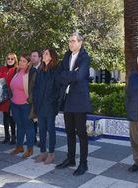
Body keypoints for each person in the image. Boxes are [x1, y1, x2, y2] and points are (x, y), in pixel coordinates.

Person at [56, 32, 92, 176]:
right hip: (67, 100)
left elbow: (79, 76)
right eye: (69, 41)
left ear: (80, 43)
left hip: (79, 101)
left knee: (81, 133)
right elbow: (58, 76)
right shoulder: (66, 56)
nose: (70, 43)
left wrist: (67, 74)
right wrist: (70, 74)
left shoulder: (85, 57)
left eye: (73, 41)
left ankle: (83, 163)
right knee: (69, 132)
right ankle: (70, 159)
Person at [33, 48, 59, 164]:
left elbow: (58, 89)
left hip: (50, 106)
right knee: (41, 129)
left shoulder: (55, 70)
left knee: (51, 129)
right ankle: (43, 152)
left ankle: (51, 153)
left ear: (51, 57)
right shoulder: (40, 70)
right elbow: (36, 89)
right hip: (40, 105)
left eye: (46, 53)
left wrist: (52, 100)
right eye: (43, 53)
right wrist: (36, 103)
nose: (43, 55)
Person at [9, 54, 37, 158]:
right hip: (15, 103)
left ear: (29, 63)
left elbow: (34, 89)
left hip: (26, 104)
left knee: (29, 127)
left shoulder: (31, 73)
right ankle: (19, 147)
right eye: (20, 60)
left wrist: (29, 101)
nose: (21, 62)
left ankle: (30, 149)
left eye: (24, 61)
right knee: (19, 126)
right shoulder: (16, 72)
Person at [0, 52, 17, 144]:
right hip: (3, 96)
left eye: (12, 59)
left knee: (12, 118)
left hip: (13, 96)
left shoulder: (17, 69)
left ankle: (13, 137)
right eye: (8, 58)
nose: (10, 60)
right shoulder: (2, 69)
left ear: (15, 60)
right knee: (5, 117)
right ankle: (6, 136)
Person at [30, 50, 42, 145]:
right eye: (31, 56)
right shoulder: (29, 69)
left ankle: (42, 140)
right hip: (31, 99)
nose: (32, 58)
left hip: (41, 100)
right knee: (31, 120)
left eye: (34, 56)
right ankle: (32, 138)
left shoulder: (43, 69)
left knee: (41, 122)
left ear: (39, 58)